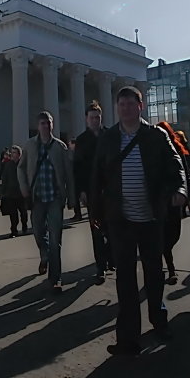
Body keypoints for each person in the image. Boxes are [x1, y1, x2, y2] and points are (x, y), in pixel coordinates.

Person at [89, 87, 187, 356]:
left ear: (140, 107)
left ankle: (159, 322)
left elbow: (176, 163)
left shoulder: (155, 135)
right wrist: (95, 212)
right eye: (121, 104)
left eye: (131, 104)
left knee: (154, 275)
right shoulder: (109, 138)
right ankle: (127, 338)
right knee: (125, 278)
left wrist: (180, 189)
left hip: (150, 217)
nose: (126, 109)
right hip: (120, 219)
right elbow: (97, 174)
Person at [18, 111, 76, 293]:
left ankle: (55, 278)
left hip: (55, 198)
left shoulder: (60, 147)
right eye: (42, 123)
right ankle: (44, 254)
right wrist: (24, 188)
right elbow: (20, 168)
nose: (46, 126)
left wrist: (71, 198)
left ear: (53, 125)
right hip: (37, 198)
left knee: (55, 238)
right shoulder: (30, 145)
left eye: (49, 123)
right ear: (38, 126)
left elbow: (68, 174)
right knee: (37, 231)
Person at [73, 101, 114, 281]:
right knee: (96, 228)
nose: (95, 120)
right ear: (86, 119)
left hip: (111, 190)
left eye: (97, 117)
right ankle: (100, 266)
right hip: (92, 191)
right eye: (92, 118)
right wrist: (80, 190)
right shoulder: (82, 140)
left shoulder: (110, 135)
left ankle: (111, 257)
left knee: (112, 227)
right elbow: (78, 167)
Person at [158, 121, 190, 286]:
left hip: (174, 198)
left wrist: (189, 196)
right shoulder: (152, 150)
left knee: (174, 233)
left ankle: (166, 254)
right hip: (159, 199)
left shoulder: (176, 149)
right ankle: (169, 268)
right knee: (161, 236)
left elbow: (185, 173)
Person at [0, 146, 28, 236]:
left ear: (19, 154)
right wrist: (3, 192)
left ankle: (24, 225)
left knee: (23, 212)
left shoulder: (23, 164)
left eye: (14, 152)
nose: (12, 154)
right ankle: (14, 230)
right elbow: (4, 178)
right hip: (10, 193)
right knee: (13, 213)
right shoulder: (8, 165)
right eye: (11, 152)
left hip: (21, 193)